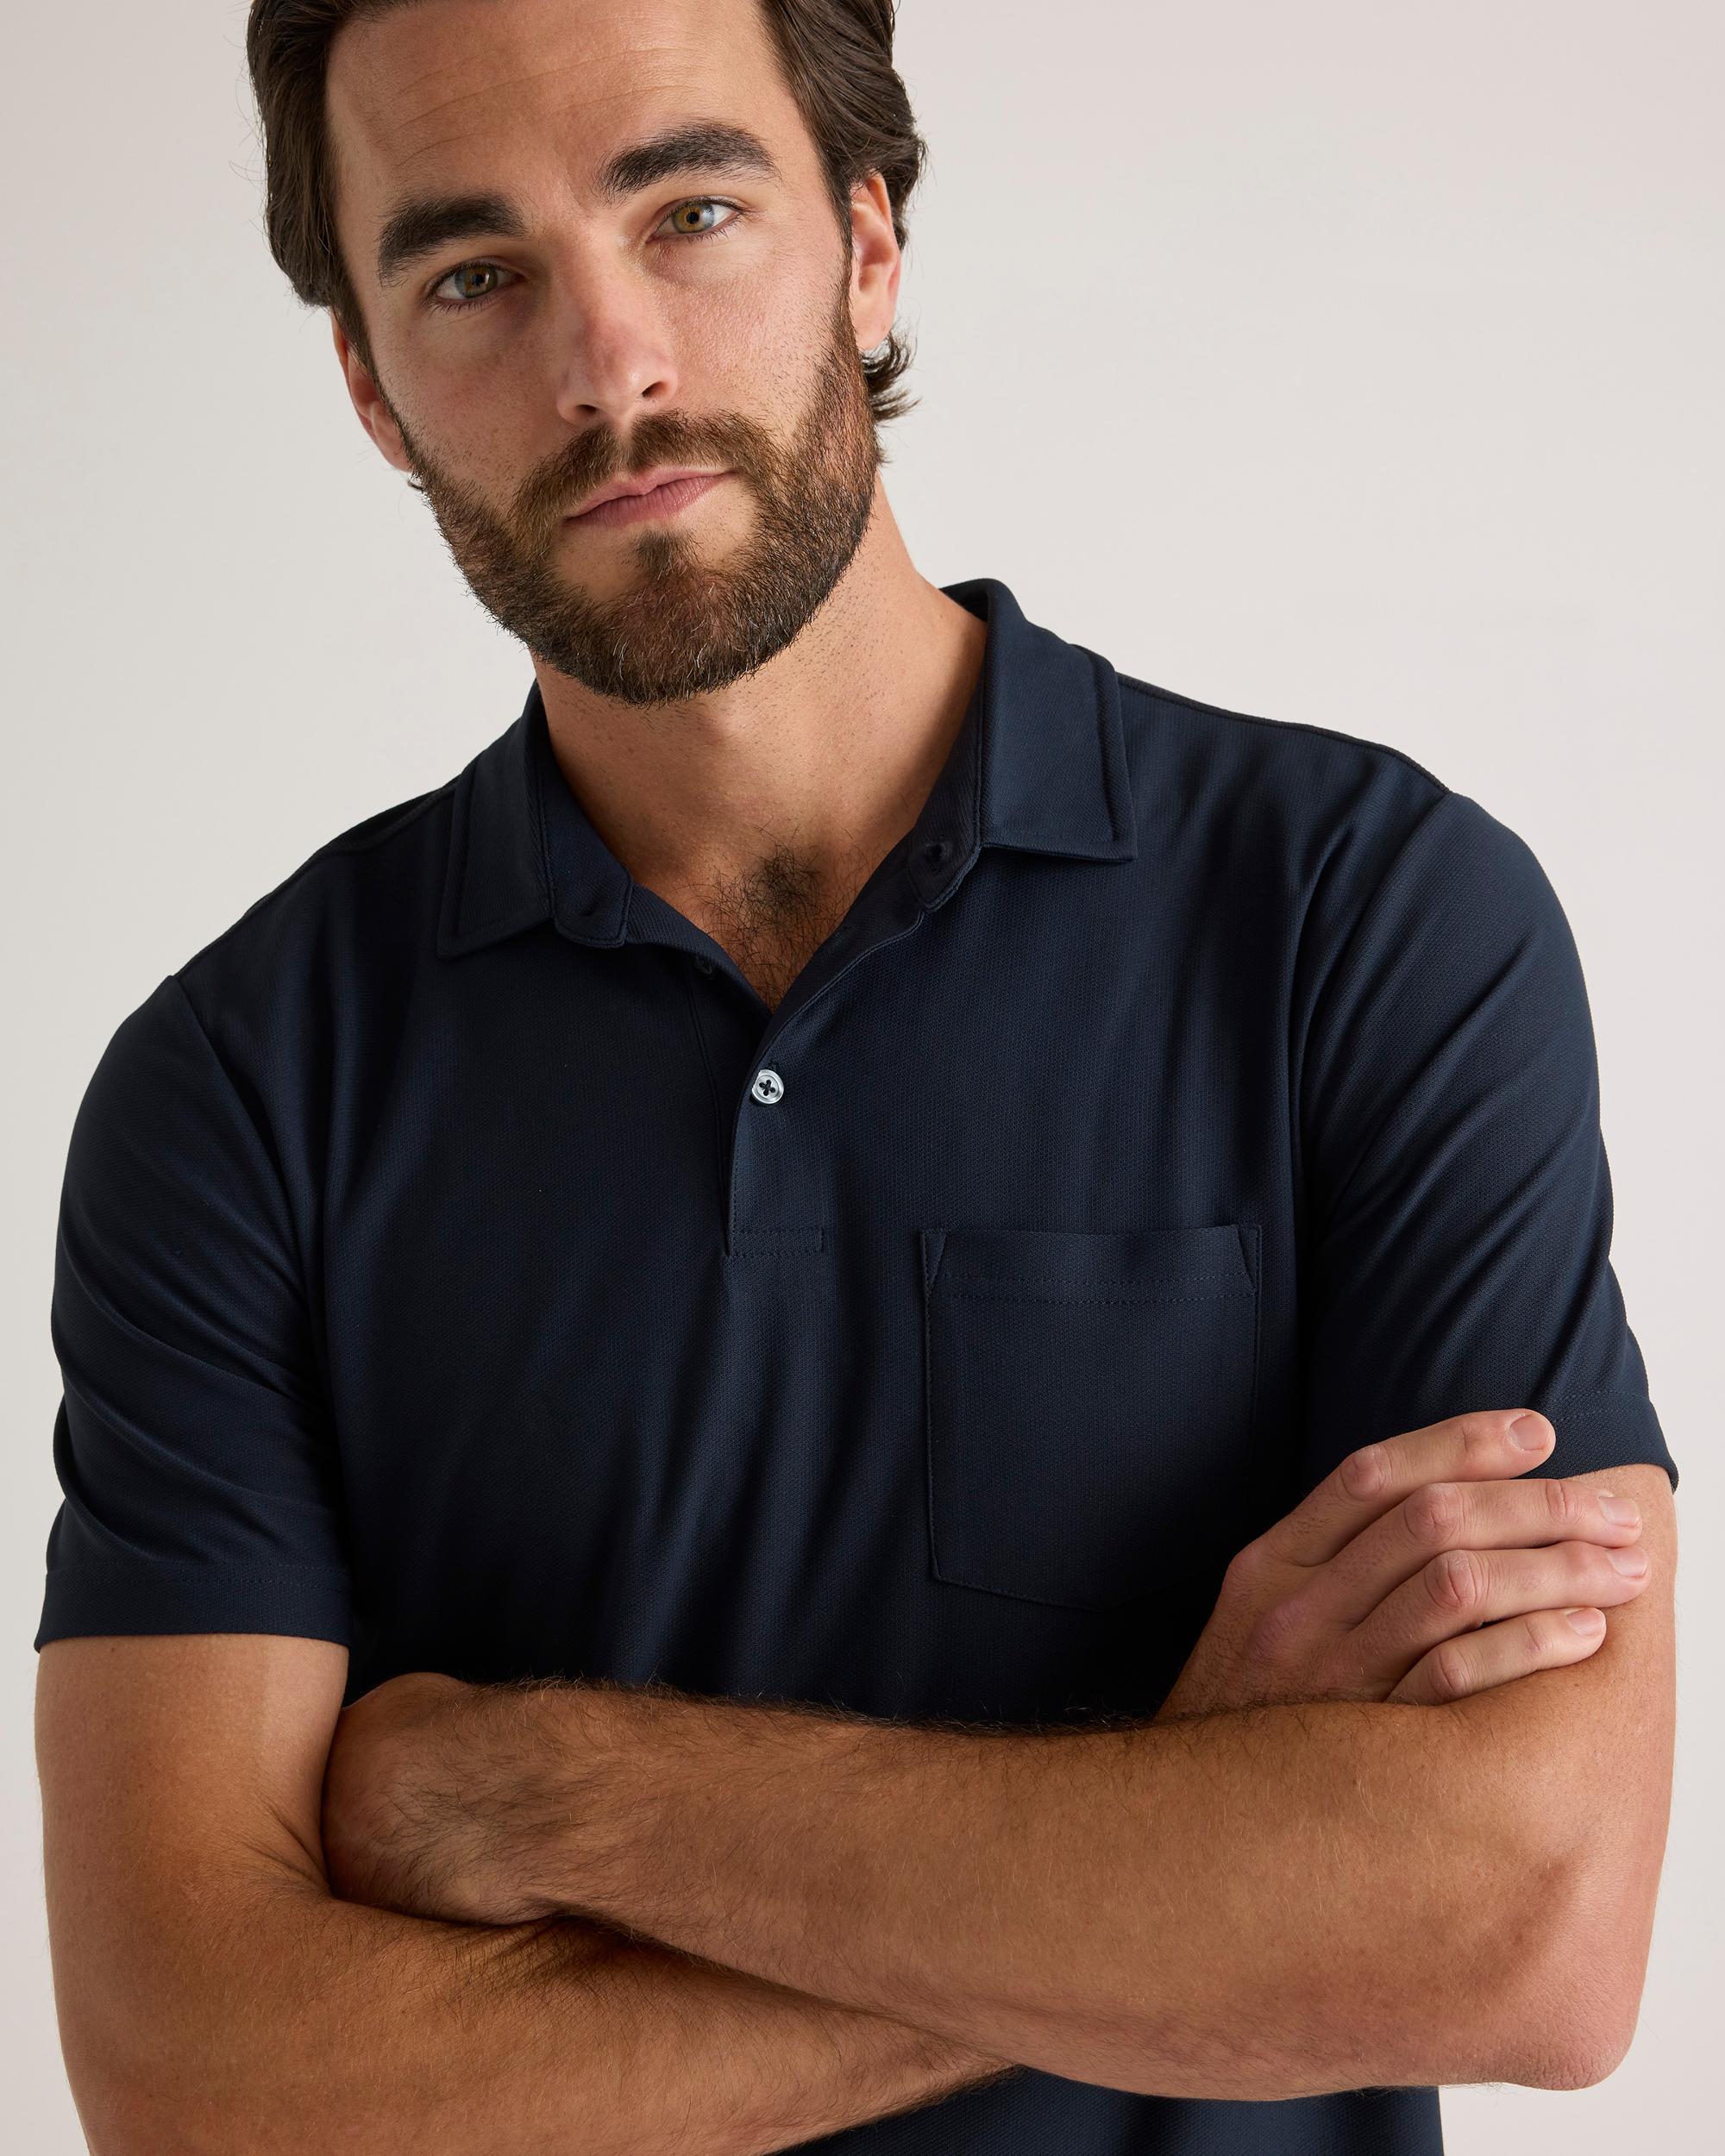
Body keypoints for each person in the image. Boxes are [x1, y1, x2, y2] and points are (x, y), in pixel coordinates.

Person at [34, 3, 1677, 2152]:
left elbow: (1527, 1928)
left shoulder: (1363, 921)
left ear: (869, 240)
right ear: (369, 382)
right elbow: (202, 2082)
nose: (608, 364)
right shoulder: (239, 1093)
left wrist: (542, 1786)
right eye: (473, 274)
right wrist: (1181, 1836)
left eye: (691, 212)